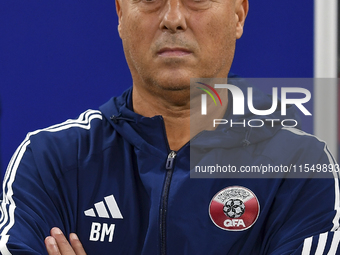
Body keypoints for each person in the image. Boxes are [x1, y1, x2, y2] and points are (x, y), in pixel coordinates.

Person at [1, 0, 339, 254]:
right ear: (120, 13)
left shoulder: (299, 167)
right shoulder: (51, 162)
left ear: (238, 14)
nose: (173, 19)